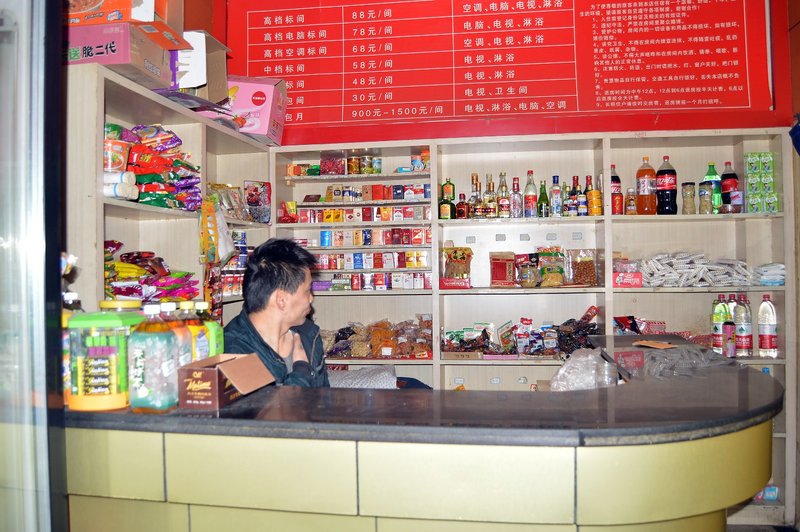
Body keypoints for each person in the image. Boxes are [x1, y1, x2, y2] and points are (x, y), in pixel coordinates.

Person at [224, 238, 329, 387]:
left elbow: (324, 401)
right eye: (307, 291)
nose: (311, 298)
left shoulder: (310, 334)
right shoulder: (234, 352)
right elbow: (270, 410)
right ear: (281, 300)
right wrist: (302, 371)